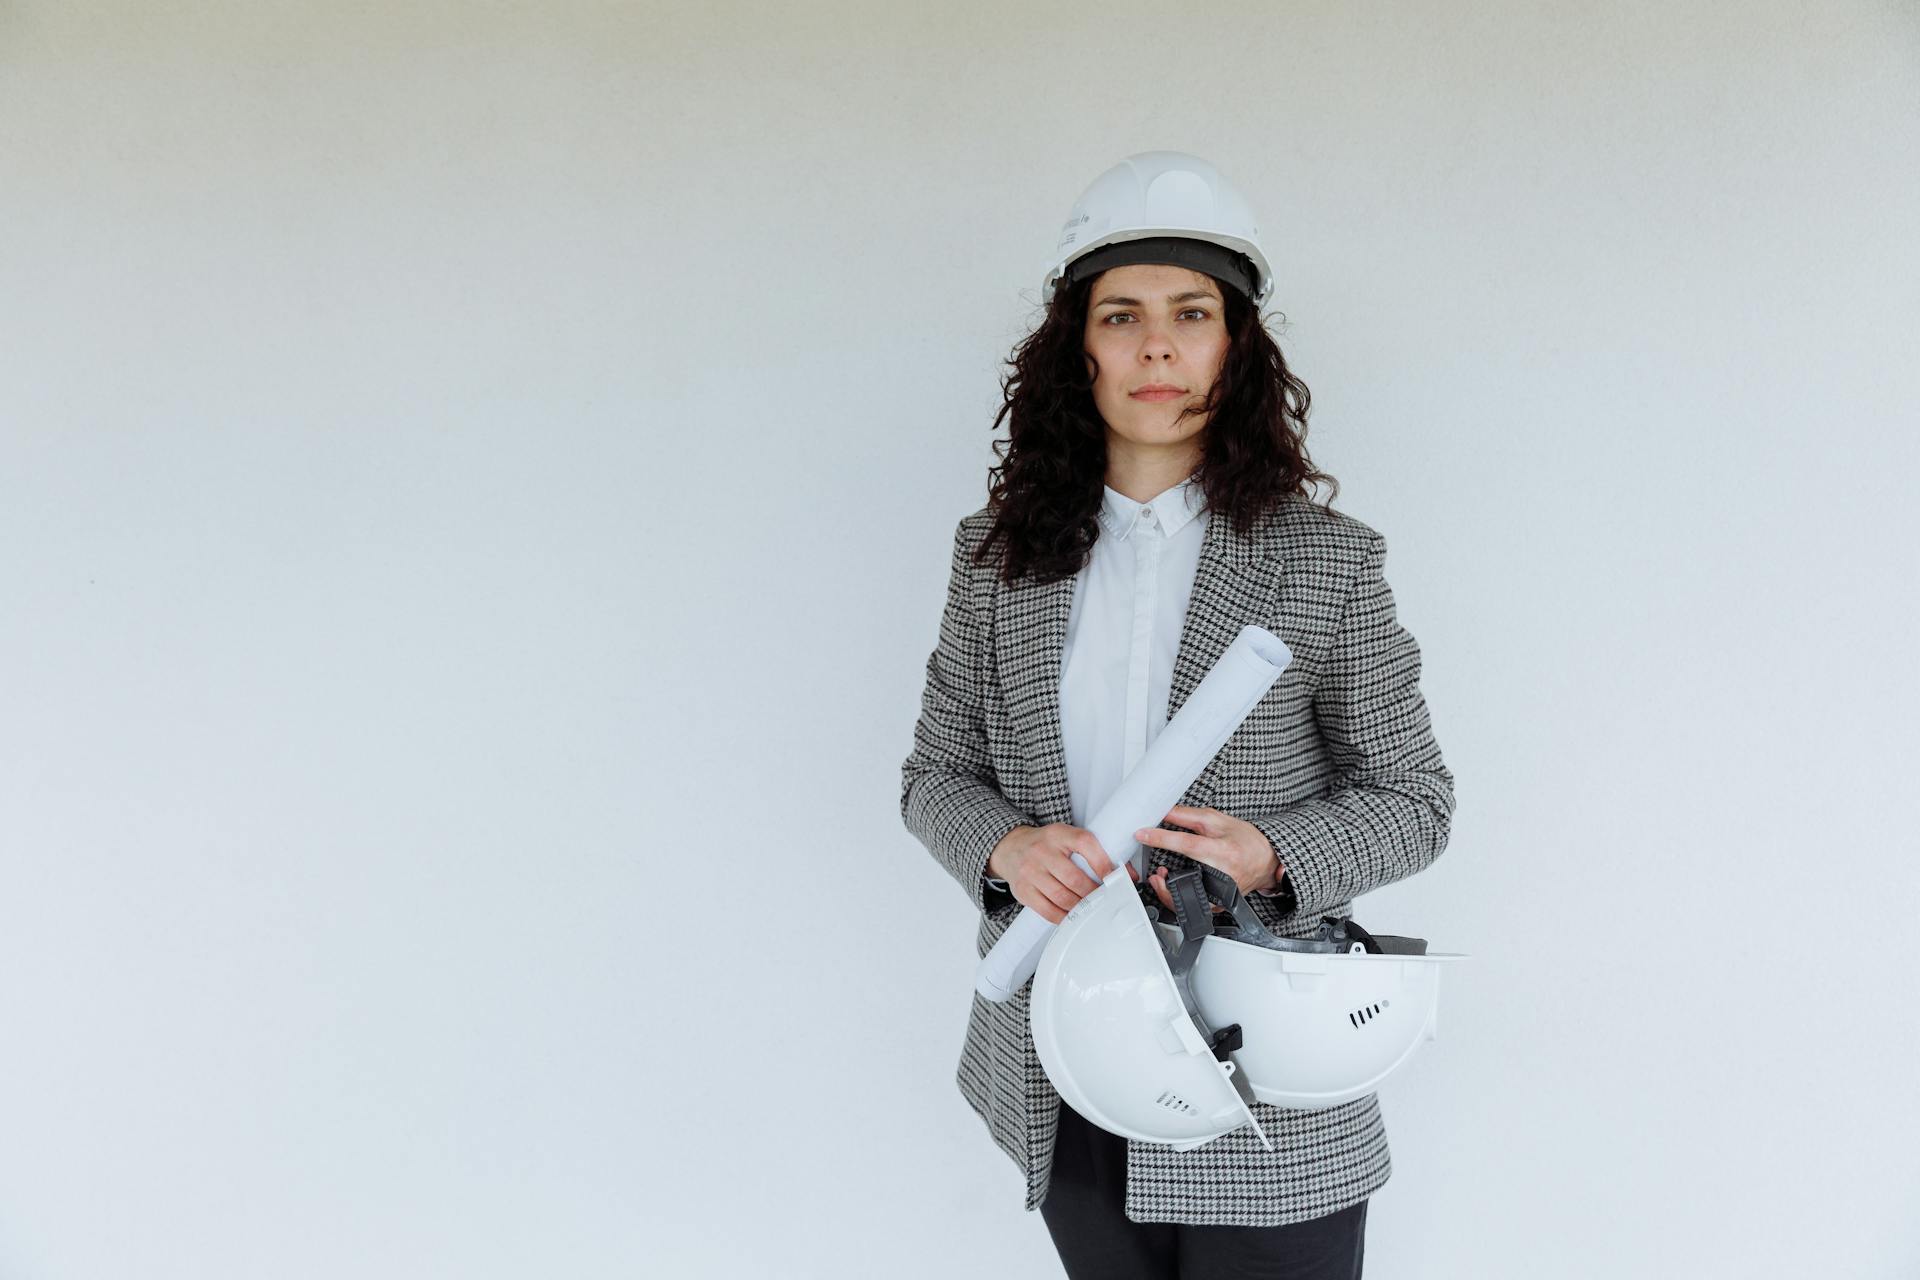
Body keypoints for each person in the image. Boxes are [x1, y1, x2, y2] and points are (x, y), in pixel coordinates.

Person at [899, 151, 1456, 1279]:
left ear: (1234, 347)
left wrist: (1273, 852)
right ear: (1079, 348)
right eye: (1122, 315)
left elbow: (1417, 800)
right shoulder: (997, 558)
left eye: (1191, 312)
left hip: (1265, 1075)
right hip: (1065, 1055)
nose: (1157, 345)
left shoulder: (1325, 562)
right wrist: (1004, 845)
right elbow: (934, 772)